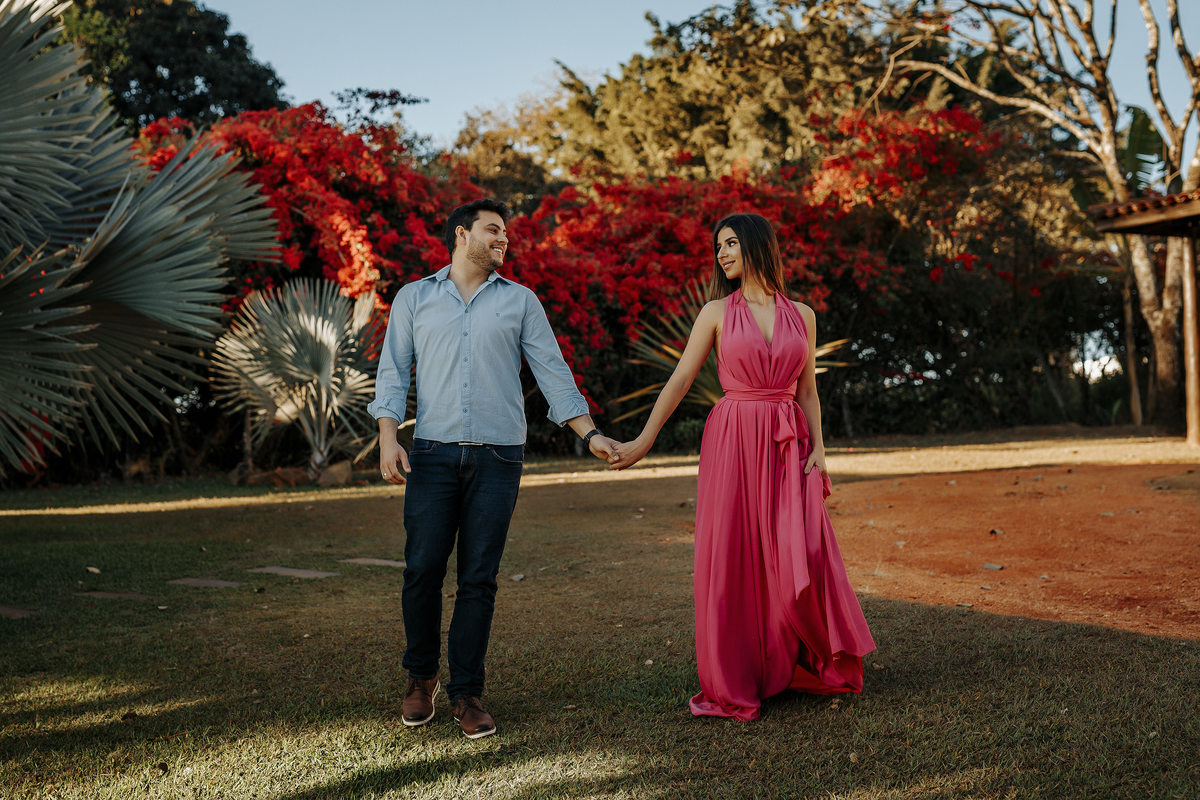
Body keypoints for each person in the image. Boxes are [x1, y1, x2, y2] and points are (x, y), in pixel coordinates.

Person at [609, 212, 875, 720]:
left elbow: (809, 391)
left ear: (756, 245)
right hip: (732, 438)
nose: (722, 254)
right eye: (718, 247)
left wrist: (820, 448)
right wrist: (644, 440)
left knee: (799, 550)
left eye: (731, 243)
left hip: (789, 441)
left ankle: (797, 654)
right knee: (736, 552)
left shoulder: (804, 314)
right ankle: (741, 672)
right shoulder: (714, 312)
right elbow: (682, 379)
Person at [368, 198, 617, 739]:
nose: (503, 239)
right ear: (462, 234)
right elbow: (393, 372)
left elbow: (553, 372)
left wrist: (590, 434)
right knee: (422, 571)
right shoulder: (414, 297)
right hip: (431, 454)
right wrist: (389, 438)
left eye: (505, 233)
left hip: (500, 456)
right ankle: (420, 677)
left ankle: (468, 693)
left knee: (479, 578)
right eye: (493, 230)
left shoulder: (521, 302)